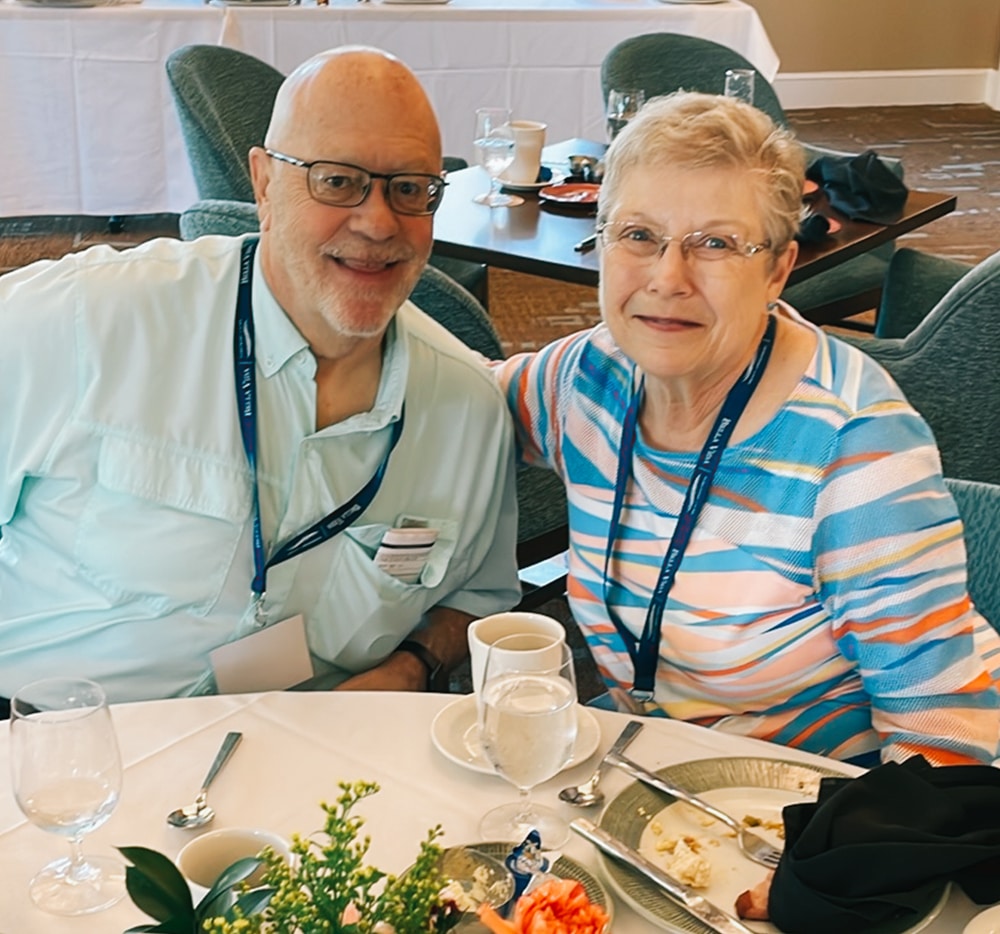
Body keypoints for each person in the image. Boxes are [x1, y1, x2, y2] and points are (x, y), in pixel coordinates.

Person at [0, 47, 520, 707]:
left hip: (309, 764)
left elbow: (478, 594)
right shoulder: (85, 321)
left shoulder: (467, 409)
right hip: (57, 755)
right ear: (264, 183)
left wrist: (414, 664)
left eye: (409, 188)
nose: (378, 221)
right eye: (337, 181)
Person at [493, 91, 1000, 767]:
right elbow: (450, 395)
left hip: (818, 816)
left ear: (778, 270)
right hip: (653, 780)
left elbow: (948, 747)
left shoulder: (855, 449)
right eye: (639, 235)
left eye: (716, 244)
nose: (668, 278)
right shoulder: (588, 380)